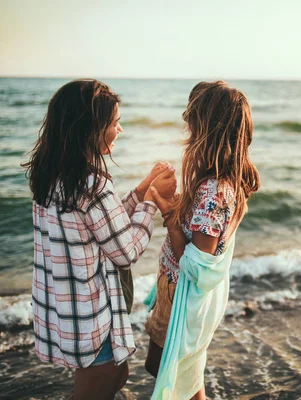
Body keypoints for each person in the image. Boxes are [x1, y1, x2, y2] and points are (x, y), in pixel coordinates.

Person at [22, 79, 176, 399]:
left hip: (66, 309)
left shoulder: (50, 175)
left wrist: (142, 187)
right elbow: (125, 251)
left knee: (118, 374)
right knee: (98, 387)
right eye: (115, 123)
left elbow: (103, 223)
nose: (119, 131)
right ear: (92, 128)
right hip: (92, 318)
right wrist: (150, 201)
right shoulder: (92, 184)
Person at [144, 81, 260, 399]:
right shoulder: (219, 184)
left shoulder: (213, 191)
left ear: (206, 129)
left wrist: (169, 214)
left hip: (181, 289)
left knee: (166, 368)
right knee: (180, 370)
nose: (186, 126)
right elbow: (203, 227)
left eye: (191, 121)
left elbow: (196, 263)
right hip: (176, 286)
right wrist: (177, 201)